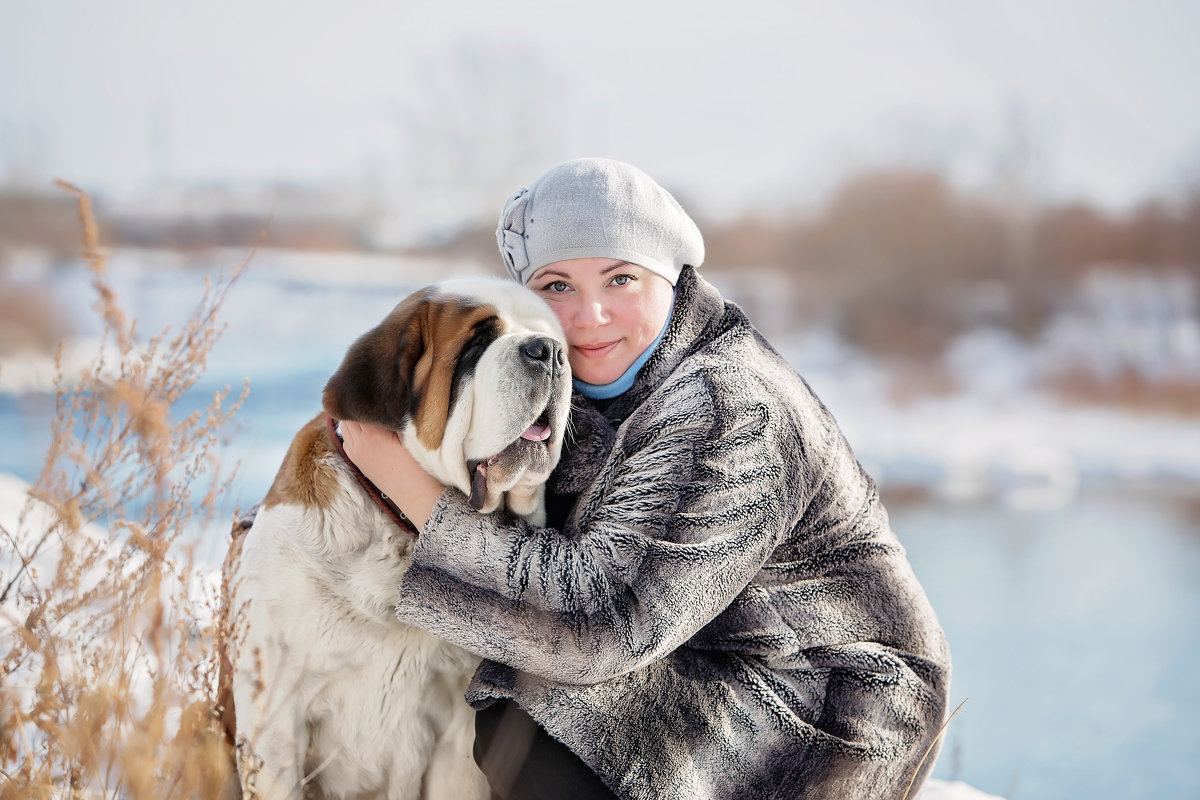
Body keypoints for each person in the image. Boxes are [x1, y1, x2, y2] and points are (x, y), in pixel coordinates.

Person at [340, 157, 951, 800]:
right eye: (556, 286)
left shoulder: (728, 404)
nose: (589, 315)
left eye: (620, 278)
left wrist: (410, 487)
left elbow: (601, 623)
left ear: (672, 277)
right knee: (479, 688)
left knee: (528, 711)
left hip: (832, 701)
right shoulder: (582, 385)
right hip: (702, 657)